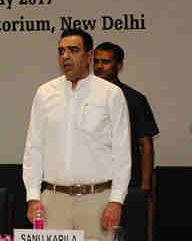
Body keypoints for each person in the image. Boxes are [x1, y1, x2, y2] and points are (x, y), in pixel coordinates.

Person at [23, 29, 130, 240]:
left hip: (97, 201)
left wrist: (116, 201)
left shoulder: (111, 94)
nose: (65, 56)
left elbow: (122, 153)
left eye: (73, 50)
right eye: (61, 51)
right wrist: (33, 197)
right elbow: (33, 149)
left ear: (88, 56)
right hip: (52, 201)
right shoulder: (45, 93)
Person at [94, 42, 159, 190]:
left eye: (105, 62)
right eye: (96, 61)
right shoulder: (81, 97)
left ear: (118, 65)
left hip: (127, 180)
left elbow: (146, 144)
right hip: (91, 180)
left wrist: (145, 184)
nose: (99, 66)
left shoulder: (134, 99)